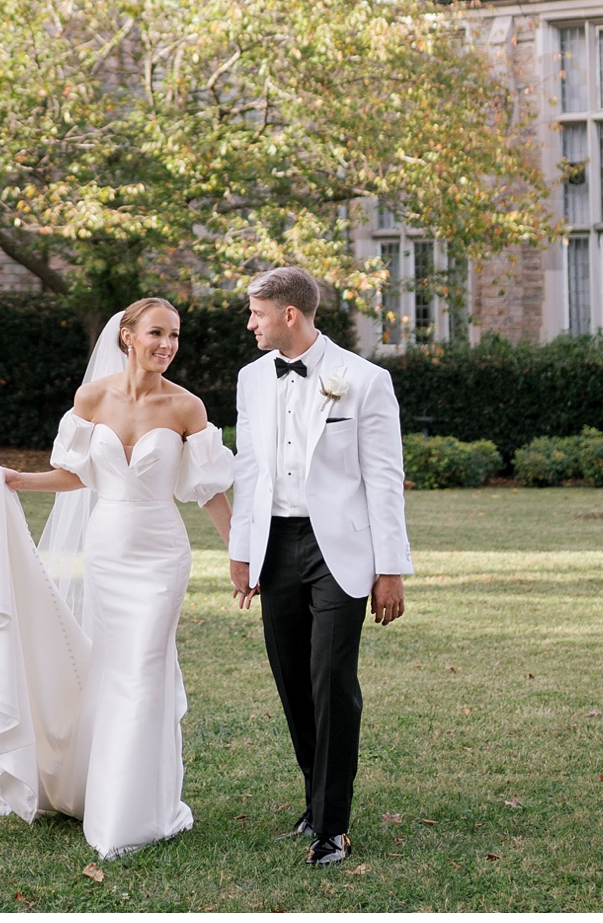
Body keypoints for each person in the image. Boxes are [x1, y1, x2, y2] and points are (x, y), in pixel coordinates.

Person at [0, 297, 234, 859]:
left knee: (144, 669)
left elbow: (209, 489)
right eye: (156, 333)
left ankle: (131, 813)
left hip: (161, 552)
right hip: (107, 550)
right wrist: (16, 480)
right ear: (127, 336)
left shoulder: (188, 407)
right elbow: (75, 476)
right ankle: (99, 789)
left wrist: (239, 552)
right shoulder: (91, 399)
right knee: (113, 669)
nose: (166, 345)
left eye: (174, 336)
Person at [228, 265, 411, 868]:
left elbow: (384, 479)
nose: (249, 323)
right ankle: (314, 796)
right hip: (275, 547)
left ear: (288, 315)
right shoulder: (251, 379)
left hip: (342, 550)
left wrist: (391, 568)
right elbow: (249, 471)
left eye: (256, 313)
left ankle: (332, 826)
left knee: (331, 681)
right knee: (292, 681)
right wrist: (241, 552)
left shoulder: (364, 379)